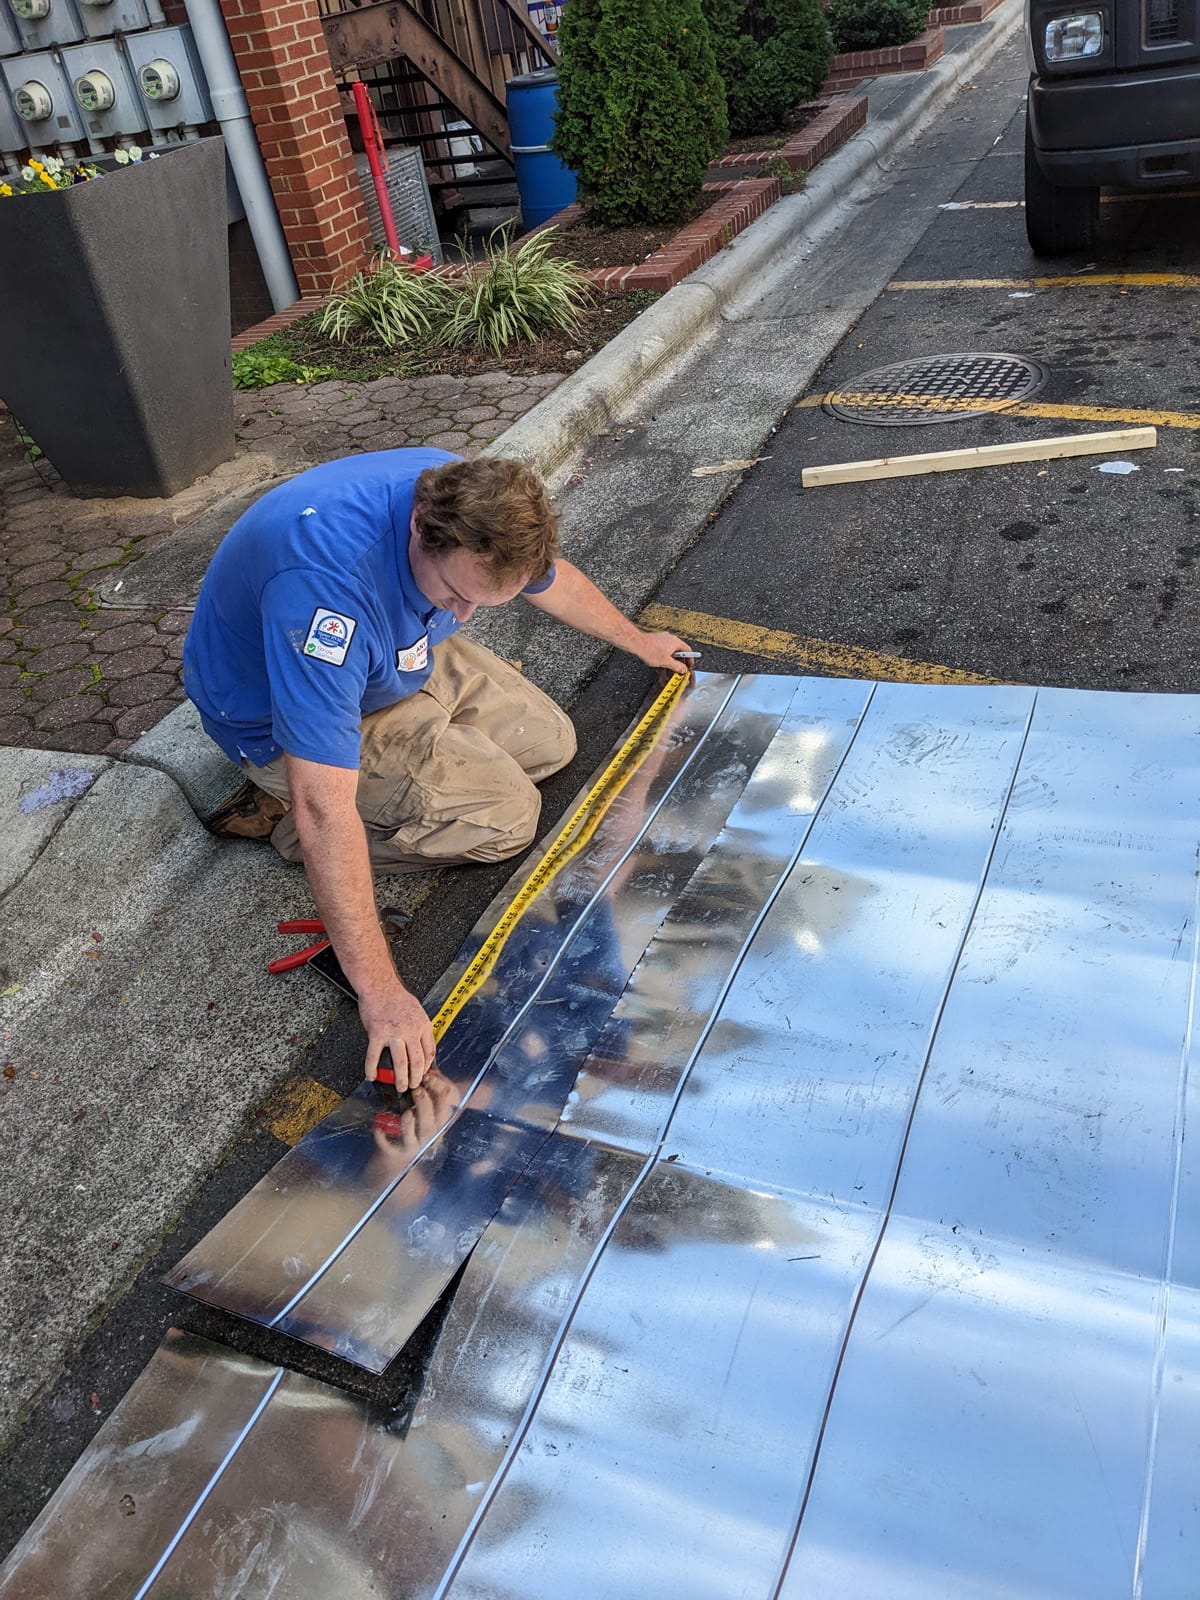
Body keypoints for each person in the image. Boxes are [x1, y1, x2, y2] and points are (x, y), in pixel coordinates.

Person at [183, 448, 690, 1094]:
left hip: (391, 659)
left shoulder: (473, 497)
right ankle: (276, 820)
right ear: (421, 525)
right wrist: (384, 994)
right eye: (455, 595)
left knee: (552, 743)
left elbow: (551, 581)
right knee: (506, 820)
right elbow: (324, 808)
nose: (467, 615)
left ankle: (417, 732)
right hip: (279, 717)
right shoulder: (325, 599)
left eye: (484, 602)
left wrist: (640, 642)